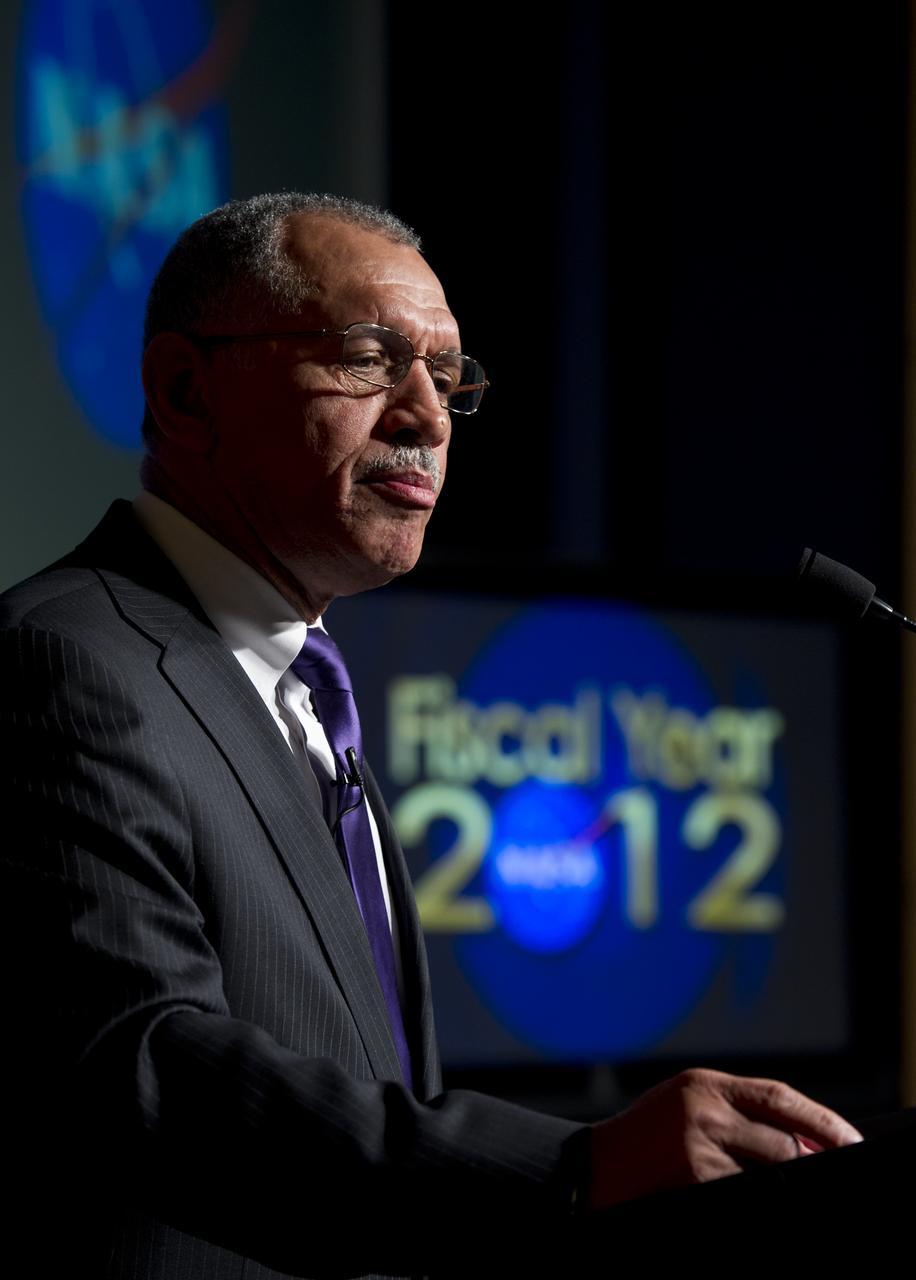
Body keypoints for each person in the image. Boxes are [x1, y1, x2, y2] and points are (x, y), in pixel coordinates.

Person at [0, 193, 863, 1279]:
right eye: (368, 359)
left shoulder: (303, 689)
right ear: (184, 390)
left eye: (447, 377)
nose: (428, 416)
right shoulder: (62, 661)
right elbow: (142, 1062)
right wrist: (573, 1167)